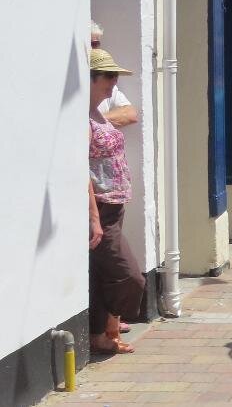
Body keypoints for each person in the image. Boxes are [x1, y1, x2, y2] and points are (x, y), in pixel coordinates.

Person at [87, 49, 147, 356]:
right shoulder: (84, 119)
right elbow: (81, 170)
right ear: (92, 79)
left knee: (102, 274)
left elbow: (131, 114)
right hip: (101, 207)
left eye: (115, 76)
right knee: (129, 276)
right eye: (108, 77)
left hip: (115, 205)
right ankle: (110, 327)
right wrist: (94, 217)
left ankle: (101, 335)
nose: (113, 83)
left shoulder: (98, 112)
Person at [90, 22, 138, 128]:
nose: (115, 80)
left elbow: (130, 114)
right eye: (92, 44)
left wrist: (94, 121)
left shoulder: (104, 82)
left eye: (97, 44)